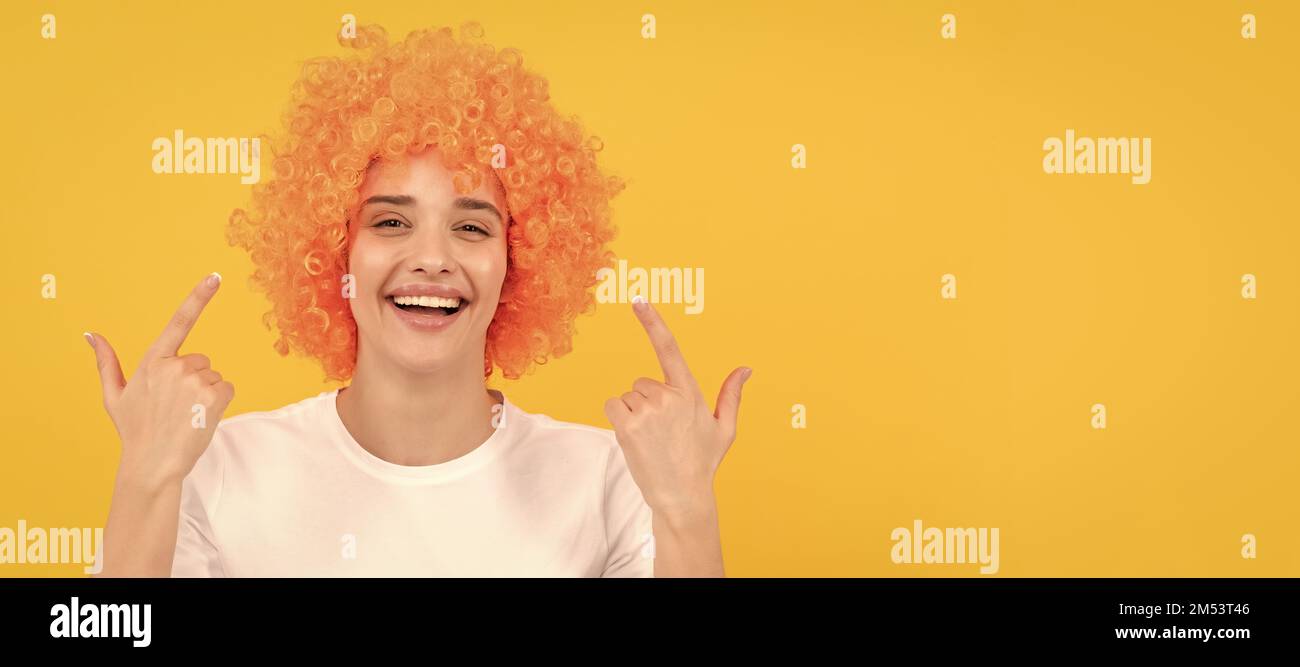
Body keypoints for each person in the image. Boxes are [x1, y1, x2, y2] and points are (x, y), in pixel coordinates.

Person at [87, 22, 751, 577]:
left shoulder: (611, 477)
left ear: (516, 264)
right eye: (390, 222)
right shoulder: (217, 466)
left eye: (470, 226)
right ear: (334, 249)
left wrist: (688, 508)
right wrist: (143, 478)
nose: (433, 258)